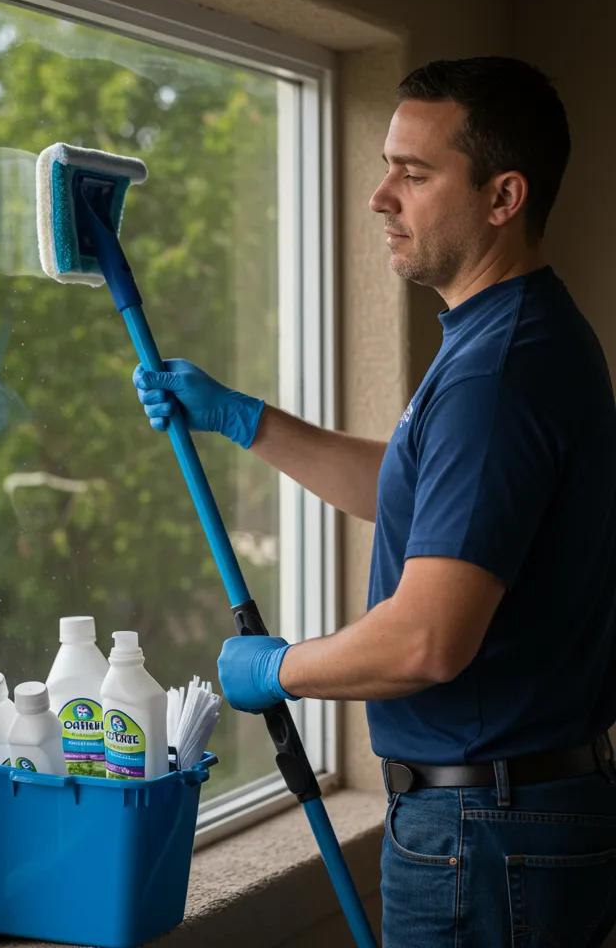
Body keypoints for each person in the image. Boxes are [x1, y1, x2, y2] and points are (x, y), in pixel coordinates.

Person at [133, 57, 616, 946]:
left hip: (483, 834)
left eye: (414, 172)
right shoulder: (518, 334)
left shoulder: (498, 373)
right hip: (514, 821)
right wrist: (245, 421)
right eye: (388, 165)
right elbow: (422, 488)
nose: (379, 196)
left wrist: (278, 670)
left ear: (503, 197)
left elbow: (429, 640)